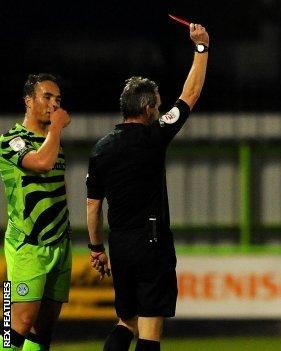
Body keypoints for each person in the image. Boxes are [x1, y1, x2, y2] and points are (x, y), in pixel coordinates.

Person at [85, 23, 209, 351]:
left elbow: (93, 206)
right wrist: (201, 48)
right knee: (150, 327)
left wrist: (96, 248)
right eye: (157, 104)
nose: (159, 109)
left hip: (120, 245)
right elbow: (190, 95)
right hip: (152, 243)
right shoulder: (154, 136)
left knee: (125, 321)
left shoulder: (101, 148)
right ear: (147, 109)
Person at [0, 73, 71, 350]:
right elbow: (40, 163)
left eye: (58, 99)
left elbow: (60, 190)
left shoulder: (54, 145)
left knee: (45, 327)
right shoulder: (11, 140)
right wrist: (56, 128)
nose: (54, 104)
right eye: (47, 97)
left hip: (59, 245)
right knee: (17, 322)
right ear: (28, 101)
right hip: (27, 246)